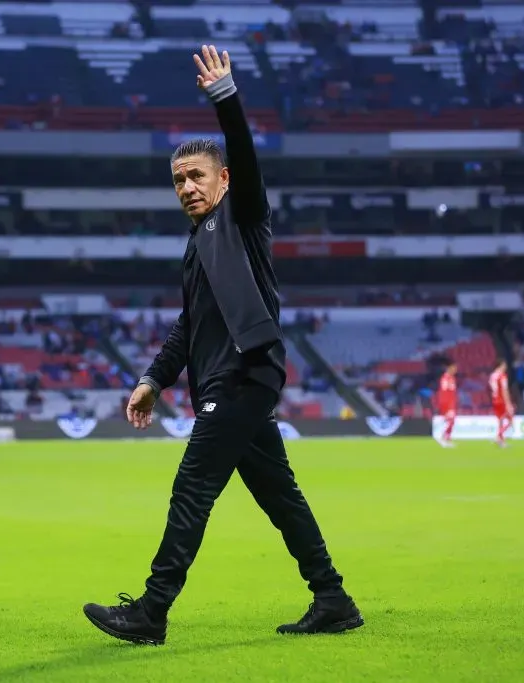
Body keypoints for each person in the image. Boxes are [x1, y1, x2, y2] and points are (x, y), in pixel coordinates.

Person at [82, 45, 363, 646]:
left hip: (242, 377)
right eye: (178, 179)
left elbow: (247, 154)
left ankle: (151, 611)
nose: (186, 187)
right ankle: (333, 598)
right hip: (229, 382)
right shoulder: (197, 245)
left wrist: (225, 97)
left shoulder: (241, 218)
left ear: (225, 179)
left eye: (197, 176)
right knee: (279, 496)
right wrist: (152, 378)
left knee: (192, 488)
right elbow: (188, 325)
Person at [488, 361, 513, 447]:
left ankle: (501, 441)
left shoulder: (492, 376)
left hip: (495, 400)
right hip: (501, 400)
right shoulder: (502, 376)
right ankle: (498, 436)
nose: (505, 367)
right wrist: (508, 403)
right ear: (500, 365)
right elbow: (504, 390)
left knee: (500, 421)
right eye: (504, 365)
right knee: (510, 420)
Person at [437, 363, 458, 447]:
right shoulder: (445, 378)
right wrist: (446, 404)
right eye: (454, 368)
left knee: (450, 421)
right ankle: (443, 437)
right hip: (447, 403)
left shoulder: (452, 378)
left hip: (451, 402)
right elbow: (444, 392)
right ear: (449, 368)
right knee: (450, 420)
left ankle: (447, 438)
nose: (455, 370)